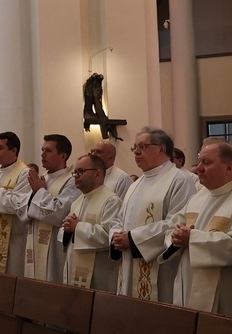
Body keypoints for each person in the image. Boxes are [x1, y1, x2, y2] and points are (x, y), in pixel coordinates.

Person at [163, 140, 232, 317]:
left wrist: (192, 239)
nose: (199, 168)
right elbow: (172, 227)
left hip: (228, 294)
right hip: (189, 282)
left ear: (229, 168)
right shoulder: (197, 198)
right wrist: (176, 238)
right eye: (199, 162)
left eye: (207, 162)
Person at [110, 128, 198, 302]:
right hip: (129, 261)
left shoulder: (180, 180)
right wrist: (116, 236)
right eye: (134, 148)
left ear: (161, 149)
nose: (136, 152)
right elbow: (119, 218)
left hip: (162, 267)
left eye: (143, 147)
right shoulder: (135, 184)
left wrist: (133, 239)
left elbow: (177, 223)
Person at [61, 154, 121, 290]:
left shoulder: (111, 201)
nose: (76, 176)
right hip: (74, 269)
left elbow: (109, 237)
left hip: (100, 275)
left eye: (81, 171)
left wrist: (77, 227)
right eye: (75, 172)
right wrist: (67, 229)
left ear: (97, 174)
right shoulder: (77, 202)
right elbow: (69, 236)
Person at [24, 134, 78, 281]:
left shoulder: (71, 181)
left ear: (63, 156)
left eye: (48, 151)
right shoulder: (42, 178)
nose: (42, 154)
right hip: (34, 244)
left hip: (54, 249)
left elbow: (60, 213)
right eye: (42, 150)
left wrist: (39, 191)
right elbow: (24, 209)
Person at [0, 131, 32, 274]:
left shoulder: (24, 174)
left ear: (14, 150)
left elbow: (18, 205)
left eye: (0, 148)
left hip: (14, 244)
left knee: (12, 281)